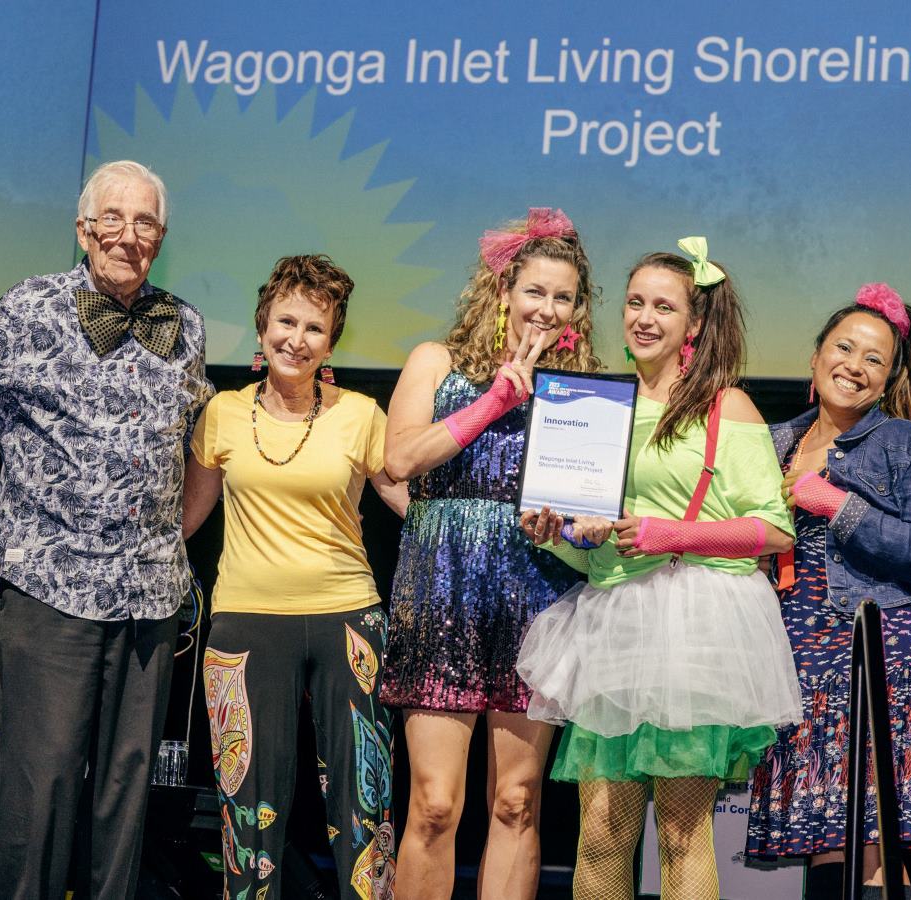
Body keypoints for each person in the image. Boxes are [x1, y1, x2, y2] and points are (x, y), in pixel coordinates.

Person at [517, 238, 803, 899]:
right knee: (598, 834)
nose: (644, 317)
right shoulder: (600, 401)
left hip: (694, 626)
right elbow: (597, 542)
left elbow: (773, 526)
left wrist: (667, 533)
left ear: (693, 324)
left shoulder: (724, 407)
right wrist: (554, 533)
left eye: (664, 307)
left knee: (680, 832)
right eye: (635, 302)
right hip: (615, 620)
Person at [0, 159, 212, 898]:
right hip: (50, 587)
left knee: (126, 793)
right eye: (113, 218)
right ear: (83, 229)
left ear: (162, 237)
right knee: (41, 785)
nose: (128, 235)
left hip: (148, 596)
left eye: (146, 222)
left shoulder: (186, 326)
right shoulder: (26, 311)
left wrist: (171, 541)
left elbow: (200, 449)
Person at [379, 208, 601, 899]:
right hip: (440, 591)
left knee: (516, 802)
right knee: (435, 804)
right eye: (535, 291)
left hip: (533, 596)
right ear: (502, 289)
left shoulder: (581, 390)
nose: (548, 308)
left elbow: (588, 509)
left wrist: (568, 526)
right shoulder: (435, 361)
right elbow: (401, 458)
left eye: (563, 297)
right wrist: (499, 396)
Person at [182, 254, 408, 898]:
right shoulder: (222, 413)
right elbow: (185, 522)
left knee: (365, 811)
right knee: (246, 810)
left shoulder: (362, 414)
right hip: (245, 627)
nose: (296, 339)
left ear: (331, 341)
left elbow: (412, 504)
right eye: (286, 321)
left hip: (349, 620)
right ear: (261, 327)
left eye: (315, 328)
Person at [743, 285, 911, 899]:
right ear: (814, 357)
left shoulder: (906, 444)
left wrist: (834, 503)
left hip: (875, 646)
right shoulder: (771, 443)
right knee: (826, 837)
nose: (854, 367)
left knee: (874, 839)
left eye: (874, 360)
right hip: (794, 650)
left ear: (888, 380)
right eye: (844, 347)